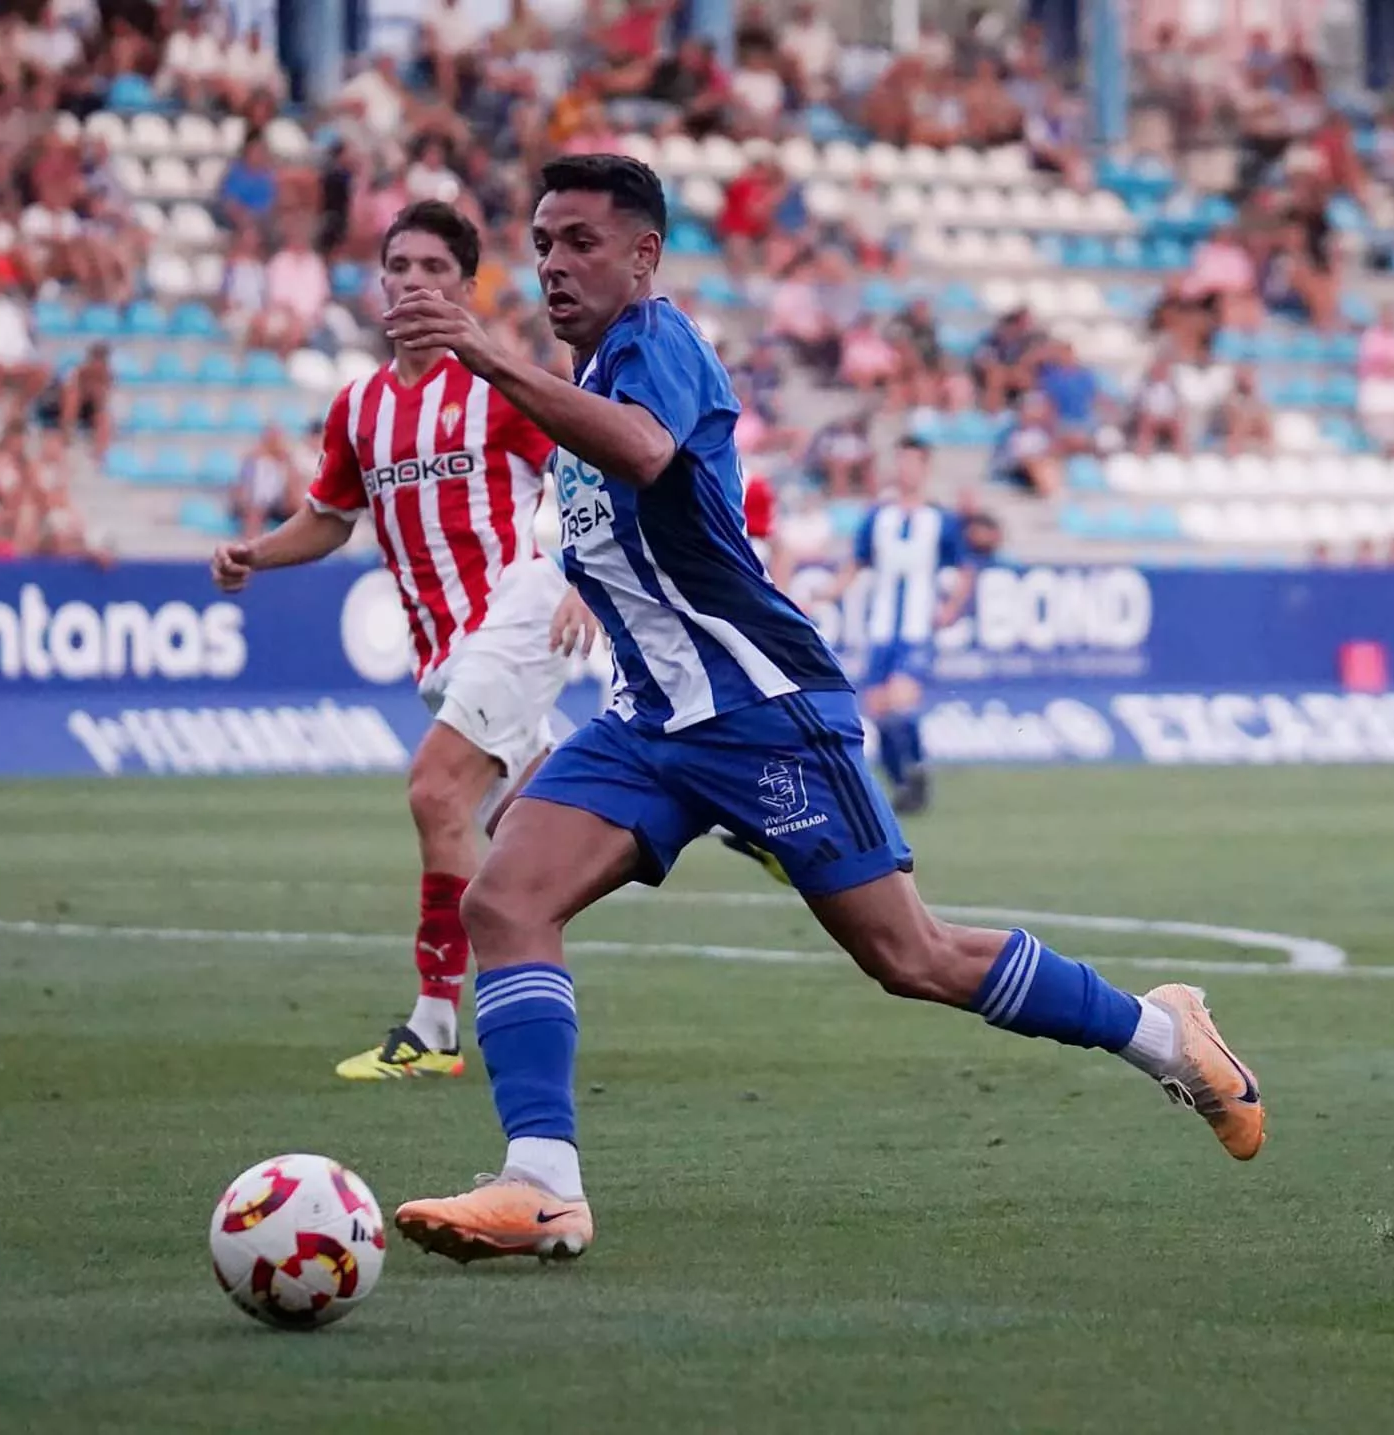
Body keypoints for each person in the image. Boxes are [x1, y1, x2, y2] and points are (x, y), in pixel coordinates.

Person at [384, 155, 1266, 1267]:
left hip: (762, 710)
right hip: (649, 722)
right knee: (507, 898)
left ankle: (1162, 1033)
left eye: (583, 243)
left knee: (911, 955)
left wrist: (483, 353)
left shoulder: (660, 344)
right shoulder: (593, 370)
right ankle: (543, 1185)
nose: (555, 263)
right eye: (545, 243)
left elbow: (646, 452)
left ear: (645, 256)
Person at [211, 201, 598, 1082]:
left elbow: (589, 473)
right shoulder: (359, 407)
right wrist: (254, 554)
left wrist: (583, 577)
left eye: (434, 268)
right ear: (378, 282)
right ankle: (720, 805)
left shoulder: (500, 386)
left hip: (519, 612)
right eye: (399, 265)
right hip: (444, 654)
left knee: (434, 790)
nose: (414, 281)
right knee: (543, 826)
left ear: (466, 288)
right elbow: (330, 518)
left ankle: (433, 1028)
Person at [830, 437, 974, 815]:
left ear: (925, 468)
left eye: (912, 463)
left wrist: (951, 608)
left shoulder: (940, 520)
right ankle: (904, 784)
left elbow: (964, 568)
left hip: (916, 631)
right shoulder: (878, 517)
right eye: (901, 462)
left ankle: (918, 769)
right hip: (880, 631)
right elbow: (857, 562)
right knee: (878, 712)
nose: (905, 470)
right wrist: (829, 593)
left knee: (900, 701)